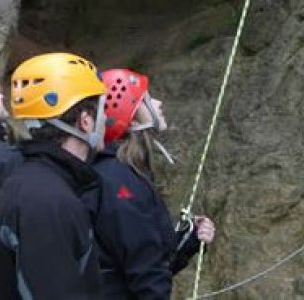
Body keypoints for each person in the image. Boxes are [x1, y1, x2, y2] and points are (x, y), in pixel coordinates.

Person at [92, 68, 215, 299]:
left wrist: (189, 239)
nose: (158, 103)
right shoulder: (118, 181)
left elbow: (143, 255)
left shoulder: (120, 172)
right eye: (146, 99)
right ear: (129, 113)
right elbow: (143, 269)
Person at [0, 52, 107, 300]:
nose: (107, 119)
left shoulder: (37, 183)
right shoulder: (47, 202)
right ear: (85, 121)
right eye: (103, 109)